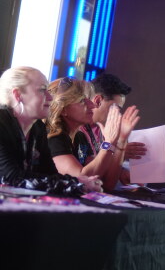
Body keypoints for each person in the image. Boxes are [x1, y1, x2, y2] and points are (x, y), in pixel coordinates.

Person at [0, 66, 101, 194]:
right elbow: (11, 178)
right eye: (42, 90)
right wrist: (75, 183)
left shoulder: (38, 127)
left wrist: (78, 182)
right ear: (18, 95)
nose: (51, 97)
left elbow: (49, 173)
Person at [46, 77, 139, 191]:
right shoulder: (53, 136)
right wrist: (108, 143)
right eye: (82, 101)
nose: (93, 105)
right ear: (63, 108)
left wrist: (121, 140)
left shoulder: (79, 137)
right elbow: (82, 180)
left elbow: (106, 184)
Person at [79, 71, 146, 183]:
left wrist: (121, 143)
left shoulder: (100, 130)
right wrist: (117, 150)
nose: (117, 114)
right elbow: (86, 177)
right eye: (115, 108)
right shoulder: (76, 128)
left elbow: (106, 182)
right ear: (98, 101)